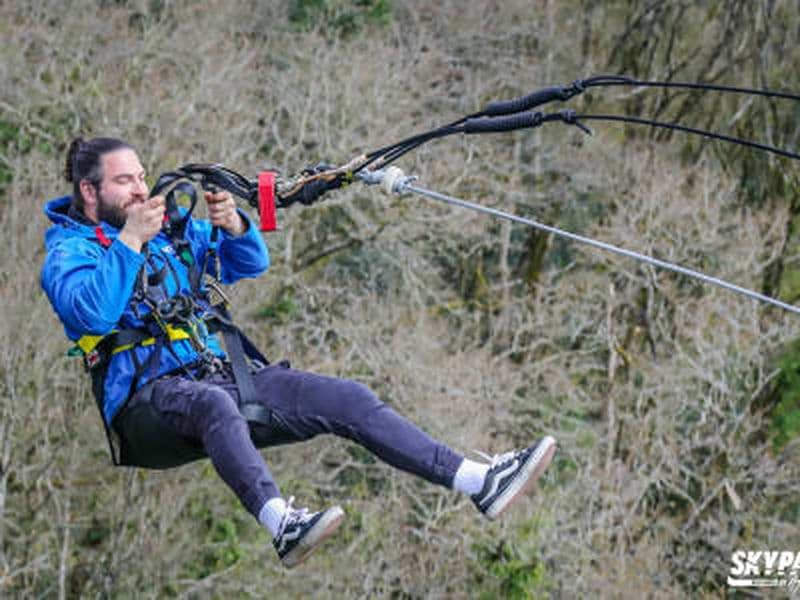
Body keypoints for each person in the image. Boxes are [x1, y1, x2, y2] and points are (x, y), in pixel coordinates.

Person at [40, 137, 557, 569]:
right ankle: (282, 524)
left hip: (213, 376)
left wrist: (234, 225)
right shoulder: (70, 254)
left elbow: (247, 263)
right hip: (144, 406)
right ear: (89, 191)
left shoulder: (163, 236)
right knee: (212, 405)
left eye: (141, 176)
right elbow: (92, 314)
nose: (139, 188)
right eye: (124, 180)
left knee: (346, 399)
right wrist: (129, 240)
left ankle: (477, 480)